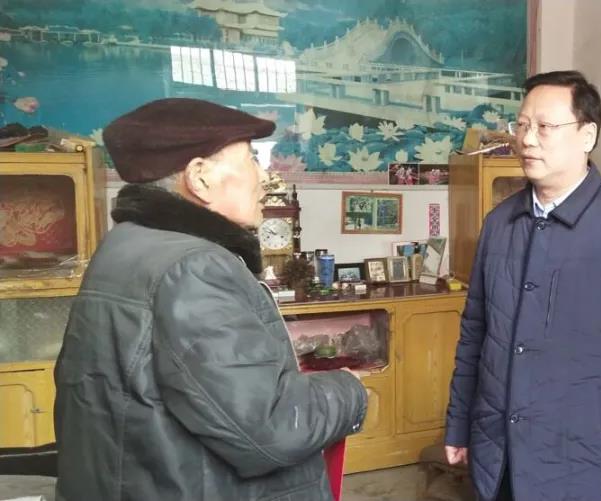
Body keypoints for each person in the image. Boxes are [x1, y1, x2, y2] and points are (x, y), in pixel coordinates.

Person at [54, 98, 367, 500]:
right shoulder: (194, 268)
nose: (265, 177)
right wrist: (348, 390)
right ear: (199, 178)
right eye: (253, 160)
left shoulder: (127, 245)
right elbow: (268, 428)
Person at [444, 70, 601, 501]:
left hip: (580, 463)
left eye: (545, 127)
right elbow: (475, 333)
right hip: (497, 454)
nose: (527, 139)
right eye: (521, 125)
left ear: (587, 135)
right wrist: (459, 423)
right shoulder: (499, 224)